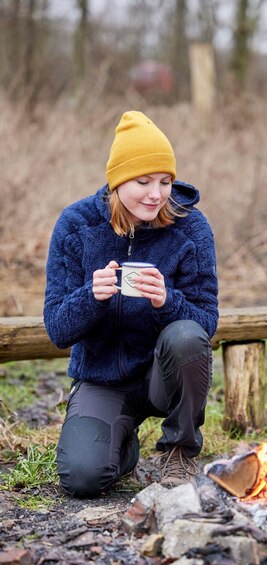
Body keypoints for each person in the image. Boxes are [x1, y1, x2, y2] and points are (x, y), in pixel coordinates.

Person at [44, 111, 219, 498]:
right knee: (83, 479)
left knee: (186, 334)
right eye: (143, 181)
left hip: (162, 375)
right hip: (103, 379)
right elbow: (57, 328)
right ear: (117, 181)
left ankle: (179, 449)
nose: (156, 194)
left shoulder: (190, 227)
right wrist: (92, 296)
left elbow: (206, 321)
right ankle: (121, 445)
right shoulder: (76, 225)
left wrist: (167, 300)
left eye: (165, 181)